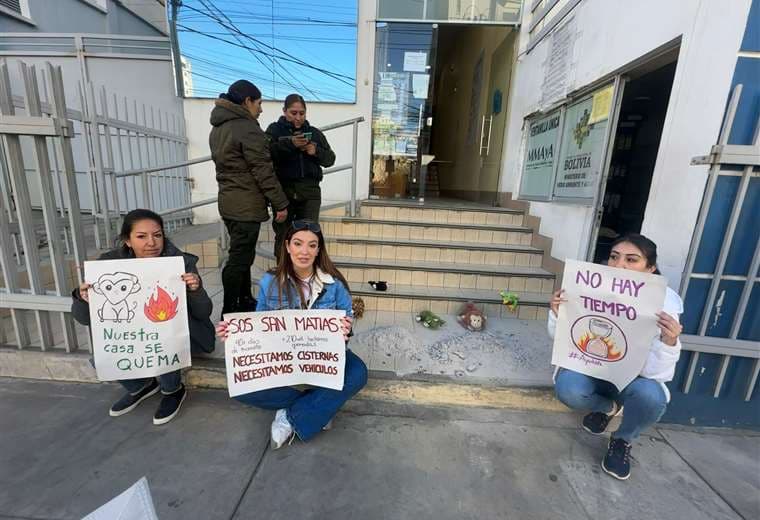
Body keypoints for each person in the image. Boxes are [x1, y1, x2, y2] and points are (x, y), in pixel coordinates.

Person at [216, 219, 367, 449]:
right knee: (239, 383)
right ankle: (318, 407)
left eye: (312, 245)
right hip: (283, 360)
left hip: (321, 360)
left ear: (319, 250)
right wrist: (236, 334)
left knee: (358, 373)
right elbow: (260, 323)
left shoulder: (334, 284)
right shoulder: (270, 281)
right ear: (287, 246)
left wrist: (345, 330)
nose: (304, 251)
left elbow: (347, 320)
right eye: (298, 243)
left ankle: (291, 415)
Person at [548, 234, 684, 480]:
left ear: (650, 268)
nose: (619, 265)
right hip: (593, 370)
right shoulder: (590, 288)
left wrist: (669, 342)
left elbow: (656, 374)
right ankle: (607, 408)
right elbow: (565, 342)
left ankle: (622, 440)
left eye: (632, 260)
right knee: (568, 388)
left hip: (635, 379)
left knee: (650, 397)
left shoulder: (666, 306)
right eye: (614, 256)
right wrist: (559, 315)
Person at [71, 209, 215, 425]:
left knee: (162, 334)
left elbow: (204, 313)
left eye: (157, 235)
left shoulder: (179, 263)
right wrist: (83, 298)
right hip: (136, 337)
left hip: (182, 334)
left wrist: (195, 289)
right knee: (105, 351)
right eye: (141, 236)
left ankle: (173, 389)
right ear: (127, 241)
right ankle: (141, 386)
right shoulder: (108, 266)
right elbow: (84, 319)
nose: (151, 243)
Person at [210, 80, 290, 315]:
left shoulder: (219, 127)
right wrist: (280, 203)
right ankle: (231, 310)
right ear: (247, 102)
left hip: (229, 202)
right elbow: (262, 169)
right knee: (238, 260)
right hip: (245, 204)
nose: (261, 109)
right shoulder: (246, 127)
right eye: (259, 103)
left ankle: (243, 301)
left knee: (242, 256)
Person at [266, 94, 336, 261]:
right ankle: (283, 275)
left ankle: (306, 277)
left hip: (310, 193)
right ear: (284, 111)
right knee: (284, 236)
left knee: (309, 235)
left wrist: (315, 151)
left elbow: (330, 159)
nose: (298, 117)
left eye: (302, 113)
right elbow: (265, 155)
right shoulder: (274, 130)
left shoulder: (314, 134)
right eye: (293, 113)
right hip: (284, 193)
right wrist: (290, 144)